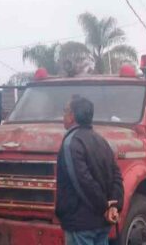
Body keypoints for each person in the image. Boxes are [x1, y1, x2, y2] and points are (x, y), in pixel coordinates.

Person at [55, 96, 124, 245]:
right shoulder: (102, 141)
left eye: (65, 111)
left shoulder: (70, 143)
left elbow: (82, 181)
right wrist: (113, 206)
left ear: (72, 116)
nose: (63, 116)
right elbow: (117, 176)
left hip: (80, 224)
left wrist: (104, 207)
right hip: (101, 223)